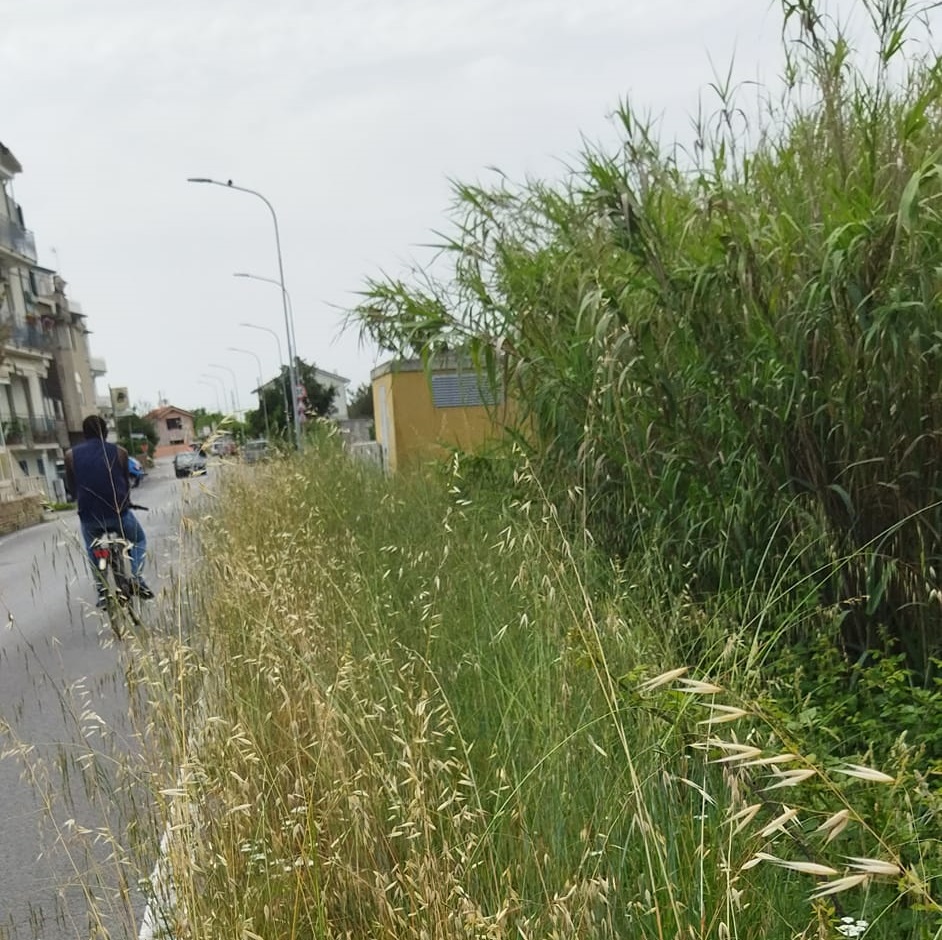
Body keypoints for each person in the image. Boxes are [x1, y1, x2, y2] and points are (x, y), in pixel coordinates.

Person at [64, 414, 154, 607]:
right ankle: (137, 579)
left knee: (93, 549)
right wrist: (126, 502)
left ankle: (103, 592)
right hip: (118, 513)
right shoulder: (120, 452)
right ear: (105, 433)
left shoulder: (70, 456)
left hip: (90, 517)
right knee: (138, 539)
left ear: (84, 434)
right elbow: (124, 483)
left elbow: (72, 488)